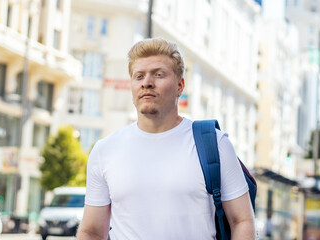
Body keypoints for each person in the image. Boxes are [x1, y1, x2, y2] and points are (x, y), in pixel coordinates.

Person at [77, 38, 255, 240]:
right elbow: (91, 232)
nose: (147, 82)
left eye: (158, 74)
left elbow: (242, 221)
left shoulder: (214, 144)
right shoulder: (105, 150)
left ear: (180, 86)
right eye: (139, 76)